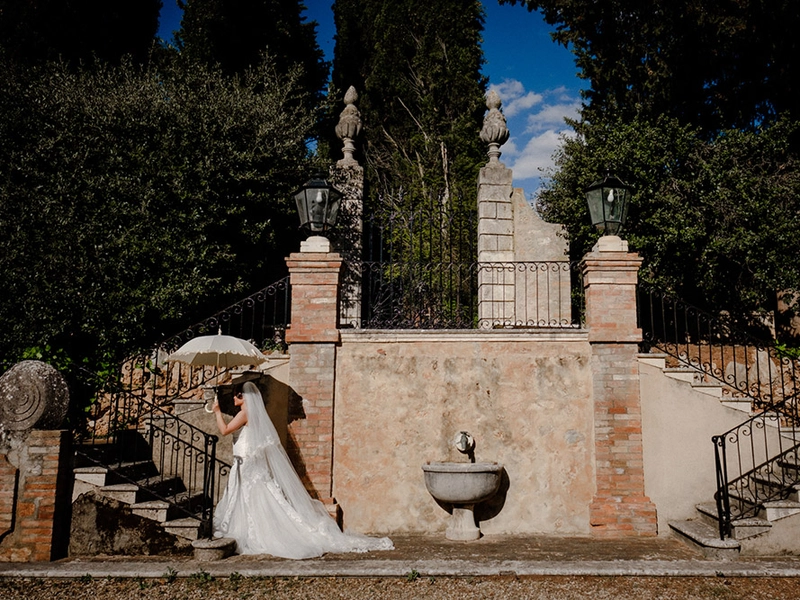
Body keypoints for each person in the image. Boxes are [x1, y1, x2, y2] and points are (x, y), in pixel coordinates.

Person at [211, 381, 393, 558]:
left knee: (252, 498)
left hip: (247, 465)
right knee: (254, 498)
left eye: (235, 395)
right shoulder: (251, 413)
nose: (233, 399)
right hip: (247, 463)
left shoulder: (245, 413)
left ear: (242, 396)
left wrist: (217, 412)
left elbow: (225, 430)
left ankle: (256, 533)